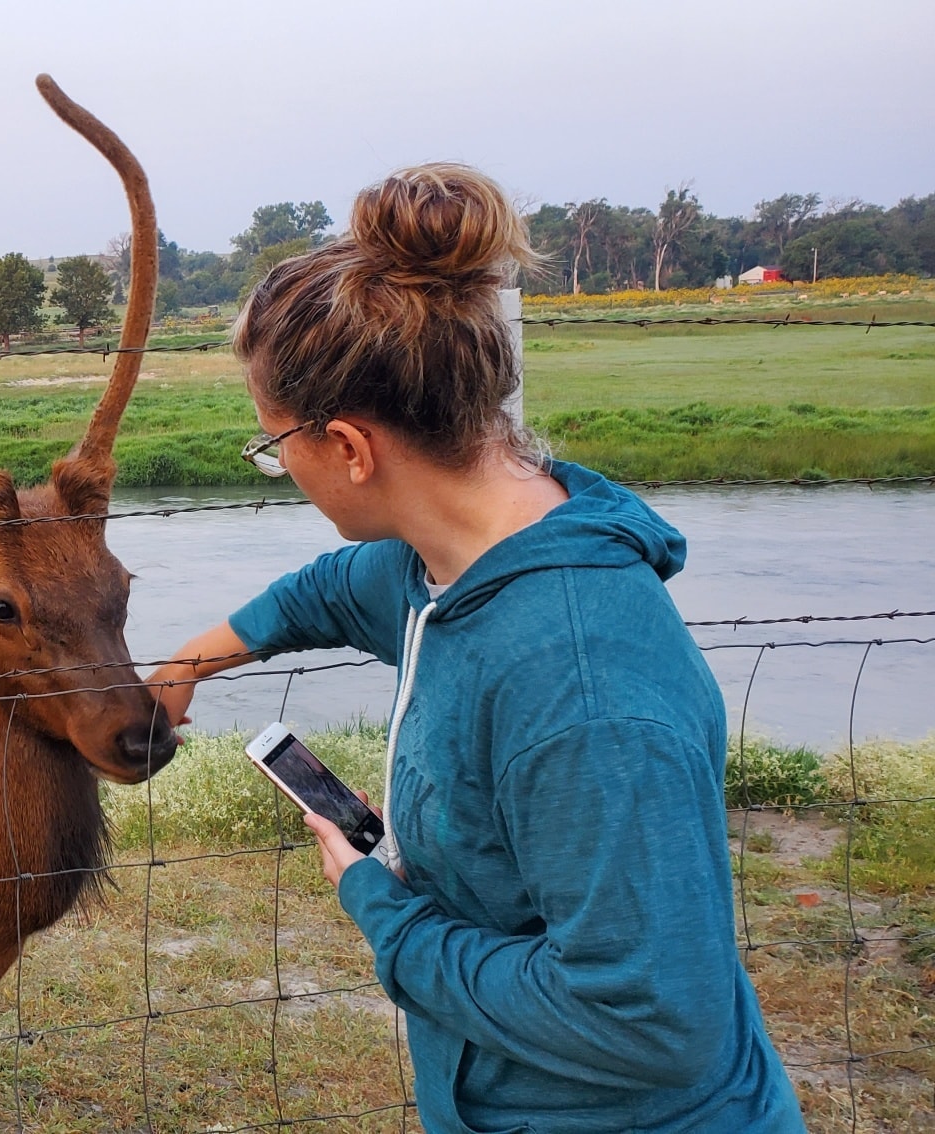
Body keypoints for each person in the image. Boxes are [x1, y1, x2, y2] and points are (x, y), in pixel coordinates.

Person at [148, 164, 804, 1133]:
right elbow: (326, 593)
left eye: (273, 444)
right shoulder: (439, 564)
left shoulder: (584, 686)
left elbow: (655, 1023)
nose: (278, 467)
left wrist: (382, 905)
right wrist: (184, 668)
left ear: (350, 448)